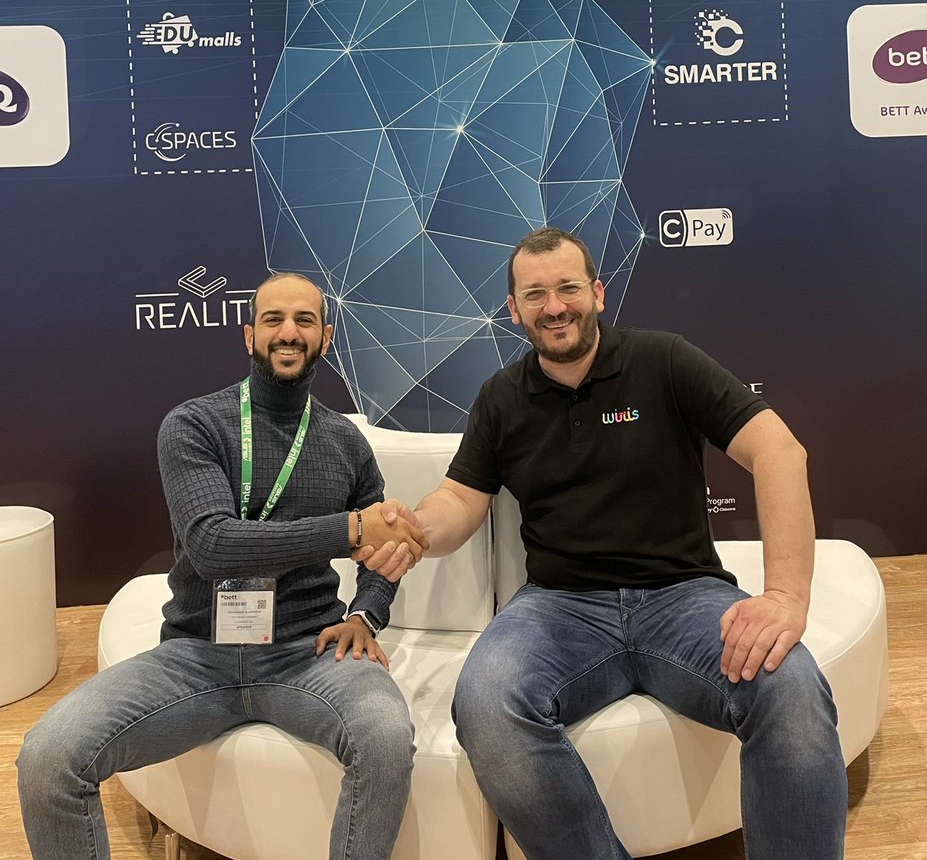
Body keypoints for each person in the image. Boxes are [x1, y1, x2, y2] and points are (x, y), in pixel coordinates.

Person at [363, 227, 848, 860]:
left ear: (597, 293)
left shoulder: (663, 359)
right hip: (559, 607)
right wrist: (418, 531)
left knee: (791, 689)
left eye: (568, 288)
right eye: (534, 294)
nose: (554, 307)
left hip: (683, 597)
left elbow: (778, 449)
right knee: (485, 703)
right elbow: (459, 499)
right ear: (514, 309)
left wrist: (785, 596)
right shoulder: (502, 397)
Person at [18, 272, 428, 860]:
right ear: (249, 334)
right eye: (273, 319)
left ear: (327, 336)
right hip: (196, 656)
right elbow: (212, 547)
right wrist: (350, 528)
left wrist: (366, 613)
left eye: (305, 320)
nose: (289, 332)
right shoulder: (194, 424)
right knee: (48, 757)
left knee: (386, 738)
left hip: (308, 653)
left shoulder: (346, 442)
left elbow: (381, 553)